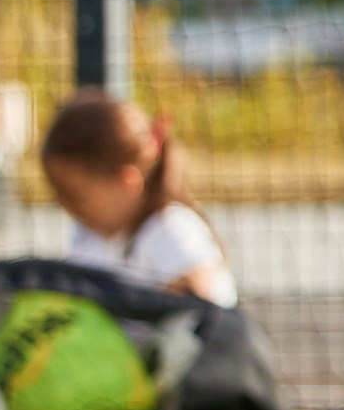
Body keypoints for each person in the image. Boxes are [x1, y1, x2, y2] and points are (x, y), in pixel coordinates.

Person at [41, 88, 238, 307]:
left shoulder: (170, 230)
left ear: (127, 181)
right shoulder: (88, 235)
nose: (65, 206)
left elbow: (205, 310)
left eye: (76, 195)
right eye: (59, 195)